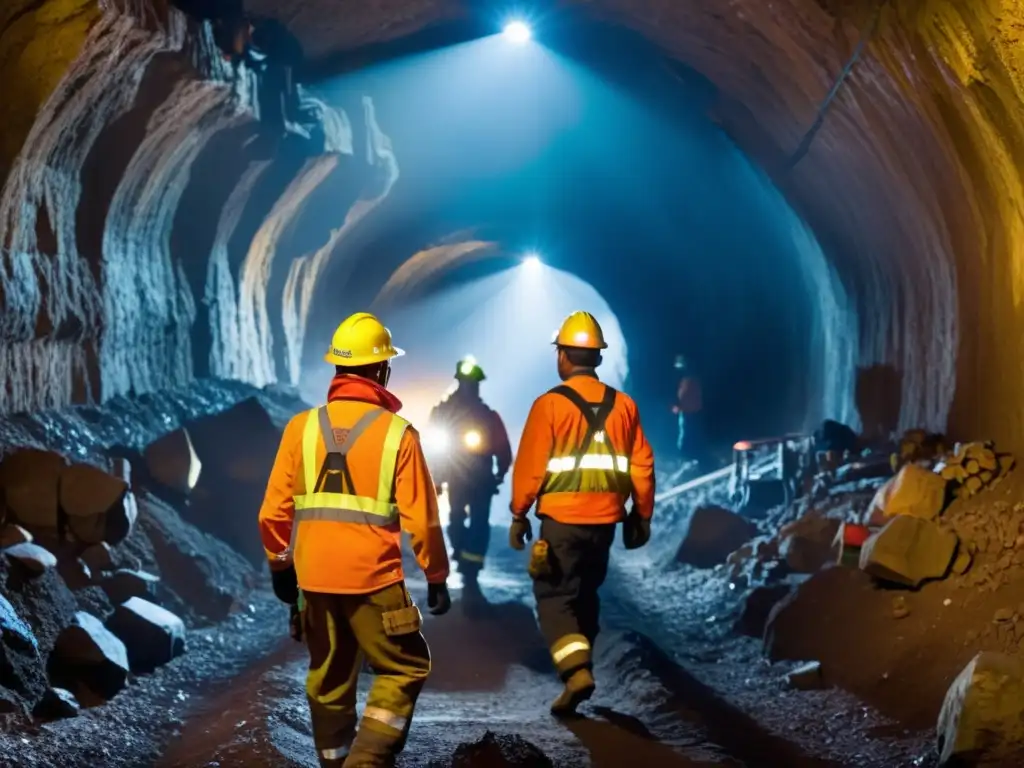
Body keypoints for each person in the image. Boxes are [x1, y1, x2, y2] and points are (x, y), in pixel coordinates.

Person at [258, 312, 451, 767]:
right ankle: (366, 759)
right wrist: (436, 575)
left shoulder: (300, 429)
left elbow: (272, 514)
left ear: (338, 370)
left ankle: (335, 760)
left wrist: (281, 569)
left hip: (315, 582)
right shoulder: (398, 435)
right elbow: (422, 520)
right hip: (375, 582)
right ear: (382, 370)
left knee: (328, 679)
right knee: (404, 667)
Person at [509, 311, 655, 716]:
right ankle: (582, 661)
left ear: (563, 357)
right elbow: (642, 464)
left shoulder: (550, 406)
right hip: (605, 522)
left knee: (555, 596)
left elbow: (531, 466)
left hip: (561, 521)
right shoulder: (623, 406)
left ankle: (576, 671)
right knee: (586, 593)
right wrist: (641, 516)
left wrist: (520, 512)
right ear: (598, 358)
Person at [425, 357, 512, 591]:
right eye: (466, 383)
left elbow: (503, 448)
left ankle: (470, 566)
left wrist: (500, 473)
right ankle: (463, 555)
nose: (469, 387)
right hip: (457, 476)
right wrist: (436, 476)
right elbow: (434, 445)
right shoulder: (444, 413)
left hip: (480, 478)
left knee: (477, 522)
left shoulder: (487, 415)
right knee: (456, 519)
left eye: (472, 383)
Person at [673, 355, 703, 465]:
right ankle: (689, 454)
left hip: (688, 412)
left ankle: (685, 455)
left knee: (687, 434)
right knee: (689, 433)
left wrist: (680, 408)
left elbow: (687, 397)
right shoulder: (688, 379)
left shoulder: (689, 380)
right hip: (689, 411)